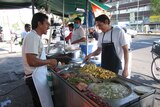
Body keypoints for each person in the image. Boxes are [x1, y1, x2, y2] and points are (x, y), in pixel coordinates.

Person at [22, 12, 57, 107]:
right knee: (41, 104)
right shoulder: (32, 37)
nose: (49, 26)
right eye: (47, 23)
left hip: (37, 77)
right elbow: (32, 61)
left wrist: (47, 61)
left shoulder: (35, 37)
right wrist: (49, 61)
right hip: (34, 78)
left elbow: (37, 57)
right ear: (39, 23)